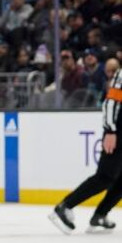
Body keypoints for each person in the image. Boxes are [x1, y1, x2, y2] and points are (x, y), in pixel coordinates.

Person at [50, 64, 122, 233]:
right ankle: (64, 206)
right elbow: (111, 102)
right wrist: (110, 130)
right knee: (105, 176)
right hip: (118, 131)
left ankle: (100, 215)